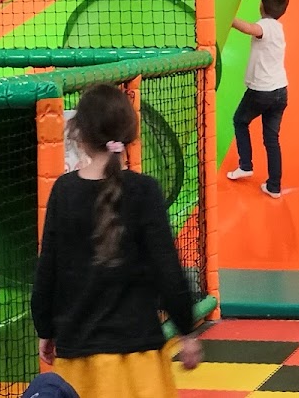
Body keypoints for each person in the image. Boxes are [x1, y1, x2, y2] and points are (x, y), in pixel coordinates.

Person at [31, 83, 203, 397]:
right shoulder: (144, 191)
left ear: (79, 134)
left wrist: (45, 328)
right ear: (129, 134)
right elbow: (166, 267)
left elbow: (48, 268)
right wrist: (186, 329)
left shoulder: (64, 191)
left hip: (79, 358)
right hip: (138, 358)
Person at [225, 0, 290, 199]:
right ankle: (274, 186)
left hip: (262, 91)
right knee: (271, 138)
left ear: (261, 5)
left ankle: (245, 164)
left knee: (240, 120)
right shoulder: (279, 28)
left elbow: (250, 28)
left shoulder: (266, 26)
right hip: (281, 91)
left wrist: (229, 19)